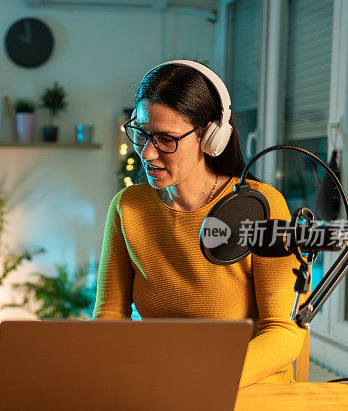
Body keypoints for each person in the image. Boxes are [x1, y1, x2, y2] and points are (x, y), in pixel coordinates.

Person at [93, 60, 306, 387]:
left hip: (246, 396)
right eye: (140, 133)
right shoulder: (128, 207)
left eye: (165, 139)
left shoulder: (259, 206)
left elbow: (284, 331)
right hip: (162, 390)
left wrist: (207, 380)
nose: (147, 153)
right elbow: (109, 318)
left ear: (210, 136)